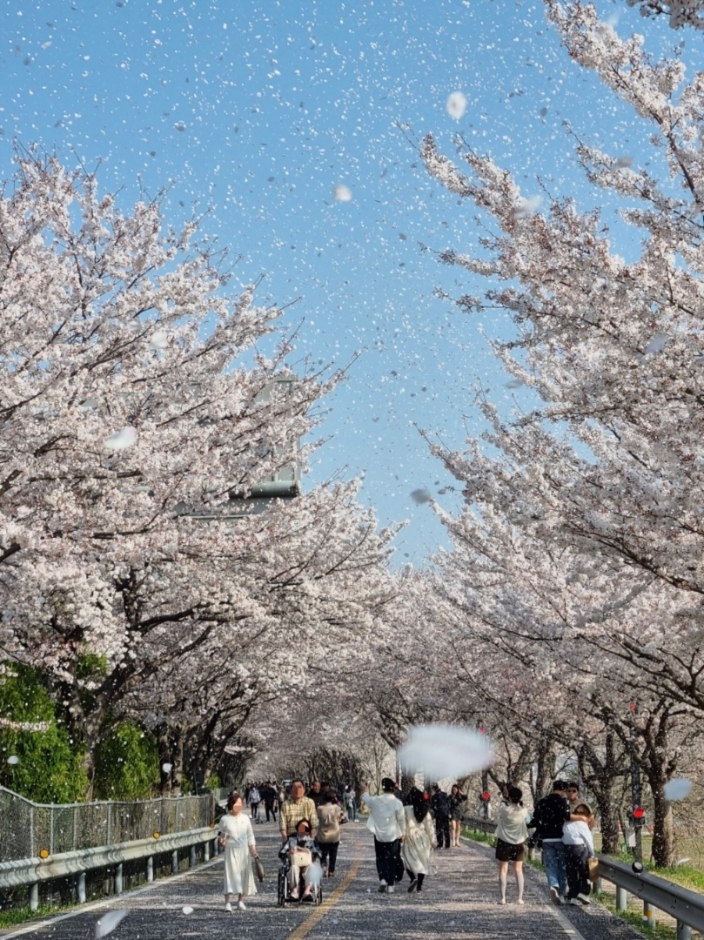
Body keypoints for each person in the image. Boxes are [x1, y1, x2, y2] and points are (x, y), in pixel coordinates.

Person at [530, 780, 591, 905]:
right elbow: (566, 816)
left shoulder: (542, 802)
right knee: (562, 867)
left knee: (550, 865)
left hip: (546, 839)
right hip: (560, 838)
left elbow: (535, 820)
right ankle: (562, 894)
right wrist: (581, 818)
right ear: (563, 790)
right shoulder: (563, 802)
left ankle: (553, 885)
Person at [361, 777, 406, 893]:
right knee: (392, 859)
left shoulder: (376, 800)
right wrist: (403, 833)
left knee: (380, 858)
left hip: (379, 835)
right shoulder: (397, 803)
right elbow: (401, 820)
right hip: (393, 835)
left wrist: (366, 789)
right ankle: (391, 885)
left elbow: (366, 798)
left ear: (383, 788)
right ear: (393, 789)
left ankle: (382, 879)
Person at [217, 791, 259, 912]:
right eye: (236, 804)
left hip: (244, 851)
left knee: (243, 875)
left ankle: (240, 900)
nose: (238, 806)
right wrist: (221, 842)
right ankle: (227, 902)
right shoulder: (225, 819)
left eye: (240, 804)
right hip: (231, 850)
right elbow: (220, 835)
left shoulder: (245, 819)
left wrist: (253, 849)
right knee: (230, 875)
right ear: (231, 805)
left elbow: (250, 835)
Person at [494, 786, 529, 905]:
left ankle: (502, 898)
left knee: (503, 869)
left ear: (509, 797)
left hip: (504, 842)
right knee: (518, 869)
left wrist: (506, 797)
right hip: (518, 842)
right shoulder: (523, 811)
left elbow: (504, 806)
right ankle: (520, 898)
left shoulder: (504, 810)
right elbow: (524, 814)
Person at [401, 787, 435, 893]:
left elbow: (402, 823)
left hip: (410, 838)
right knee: (423, 862)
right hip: (423, 838)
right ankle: (419, 886)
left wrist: (402, 835)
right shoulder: (425, 811)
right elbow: (430, 827)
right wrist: (433, 841)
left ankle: (412, 878)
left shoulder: (406, 809)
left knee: (408, 861)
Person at [279, 818, 320, 902]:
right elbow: (281, 853)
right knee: (293, 868)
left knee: (312, 867)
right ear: (297, 829)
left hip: (307, 863)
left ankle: (307, 891)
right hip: (294, 863)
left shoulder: (311, 841)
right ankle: (294, 892)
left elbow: (318, 853)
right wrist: (289, 852)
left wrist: (311, 853)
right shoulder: (291, 840)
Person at [563, 802, 595, 906]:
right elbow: (588, 840)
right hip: (580, 849)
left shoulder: (567, 823)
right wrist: (592, 854)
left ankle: (572, 896)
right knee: (583, 871)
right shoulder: (582, 825)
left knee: (571, 873)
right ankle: (583, 893)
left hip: (567, 849)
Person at [316, 790, 343, 877]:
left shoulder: (320, 809)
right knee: (333, 854)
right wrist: (336, 800)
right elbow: (341, 815)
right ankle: (331, 871)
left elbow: (317, 819)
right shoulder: (336, 808)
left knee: (323, 854)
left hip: (323, 836)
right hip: (334, 835)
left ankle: (324, 868)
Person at [430, 785, 451, 849]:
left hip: (439, 814)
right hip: (445, 814)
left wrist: (434, 814)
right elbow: (448, 804)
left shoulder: (434, 797)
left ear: (433, 789)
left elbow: (433, 807)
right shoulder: (445, 794)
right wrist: (448, 812)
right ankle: (447, 844)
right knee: (446, 829)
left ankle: (440, 844)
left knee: (439, 829)